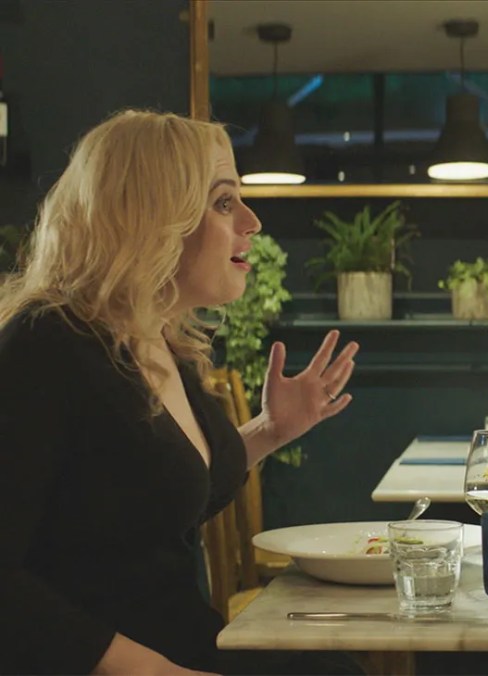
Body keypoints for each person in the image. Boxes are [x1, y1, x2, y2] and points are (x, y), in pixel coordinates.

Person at [0, 110, 359, 675]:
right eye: (223, 202)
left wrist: (270, 430)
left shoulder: (155, 338)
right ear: (151, 219)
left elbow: (162, 496)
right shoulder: (48, 341)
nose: (252, 221)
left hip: (189, 643)